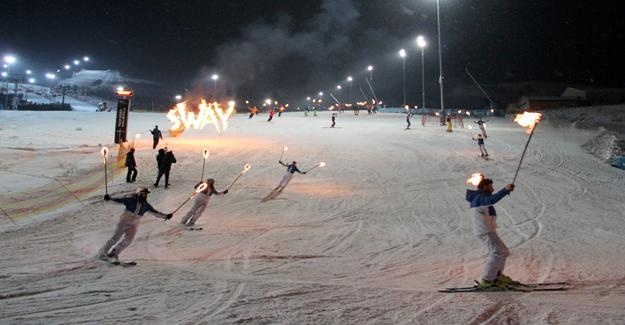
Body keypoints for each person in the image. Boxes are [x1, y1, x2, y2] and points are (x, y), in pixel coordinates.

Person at [98, 187, 172, 262]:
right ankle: (102, 253)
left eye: (146, 194)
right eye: (143, 193)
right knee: (115, 238)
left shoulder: (146, 205)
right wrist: (109, 199)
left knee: (128, 240)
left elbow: (155, 212)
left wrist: (165, 216)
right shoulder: (130, 199)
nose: (145, 195)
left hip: (134, 224)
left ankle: (114, 253)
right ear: (139, 193)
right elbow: (118, 200)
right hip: (124, 220)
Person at [465, 177, 516, 289]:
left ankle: (497, 277)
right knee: (497, 252)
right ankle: (486, 280)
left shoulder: (481, 197)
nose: (492, 189)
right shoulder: (479, 198)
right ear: (485, 187)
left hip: (488, 231)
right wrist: (505, 190)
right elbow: (492, 199)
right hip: (485, 231)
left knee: (503, 251)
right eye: (491, 186)